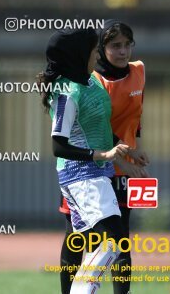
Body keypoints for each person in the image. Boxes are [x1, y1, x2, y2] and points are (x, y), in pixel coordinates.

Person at [57, 20, 148, 294]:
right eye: (115, 46)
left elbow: (134, 117)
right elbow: (98, 127)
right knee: (77, 238)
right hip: (88, 167)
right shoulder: (91, 82)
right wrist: (124, 154)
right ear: (101, 49)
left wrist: (134, 149)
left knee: (121, 238)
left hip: (124, 168)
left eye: (127, 45)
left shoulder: (140, 71)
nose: (123, 52)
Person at [37, 28, 129, 294]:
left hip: (99, 174)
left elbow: (97, 124)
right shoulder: (67, 92)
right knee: (113, 242)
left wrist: (123, 149)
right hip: (81, 177)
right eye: (92, 51)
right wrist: (101, 155)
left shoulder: (91, 81)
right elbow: (58, 145)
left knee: (97, 245)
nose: (97, 55)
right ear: (78, 55)